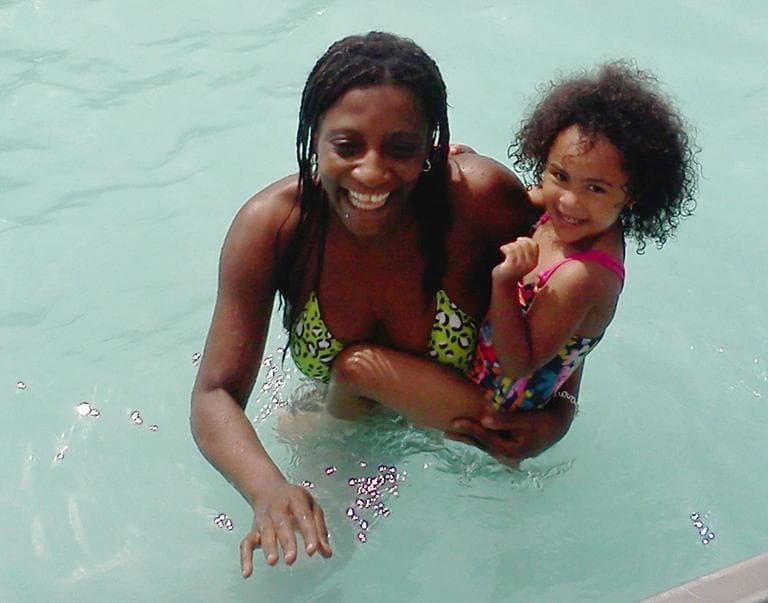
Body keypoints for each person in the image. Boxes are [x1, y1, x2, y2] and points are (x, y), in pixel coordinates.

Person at [189, 31, 579, 576]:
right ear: (313, 138)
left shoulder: (482, 203)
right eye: (347, 146)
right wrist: (268, 489)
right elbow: (214, 394)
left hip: (469, 440)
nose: (372, 172)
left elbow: (567, 305)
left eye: (400, 148)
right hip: (340, 428)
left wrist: (559, 415)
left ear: (432, 146)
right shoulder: (273, 229)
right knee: (305, 573)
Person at [326, 61, 698, 437]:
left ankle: (335, 445)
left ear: (633, 195)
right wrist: (462, 162)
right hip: (475, 370)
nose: (568, 200)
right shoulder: (567, 214)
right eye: (560, 176)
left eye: (595, 188)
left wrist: (504, 281)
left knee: (354, 369)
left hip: (493, 408)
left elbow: (518, 363)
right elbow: (504, 197)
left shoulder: (581, 275)